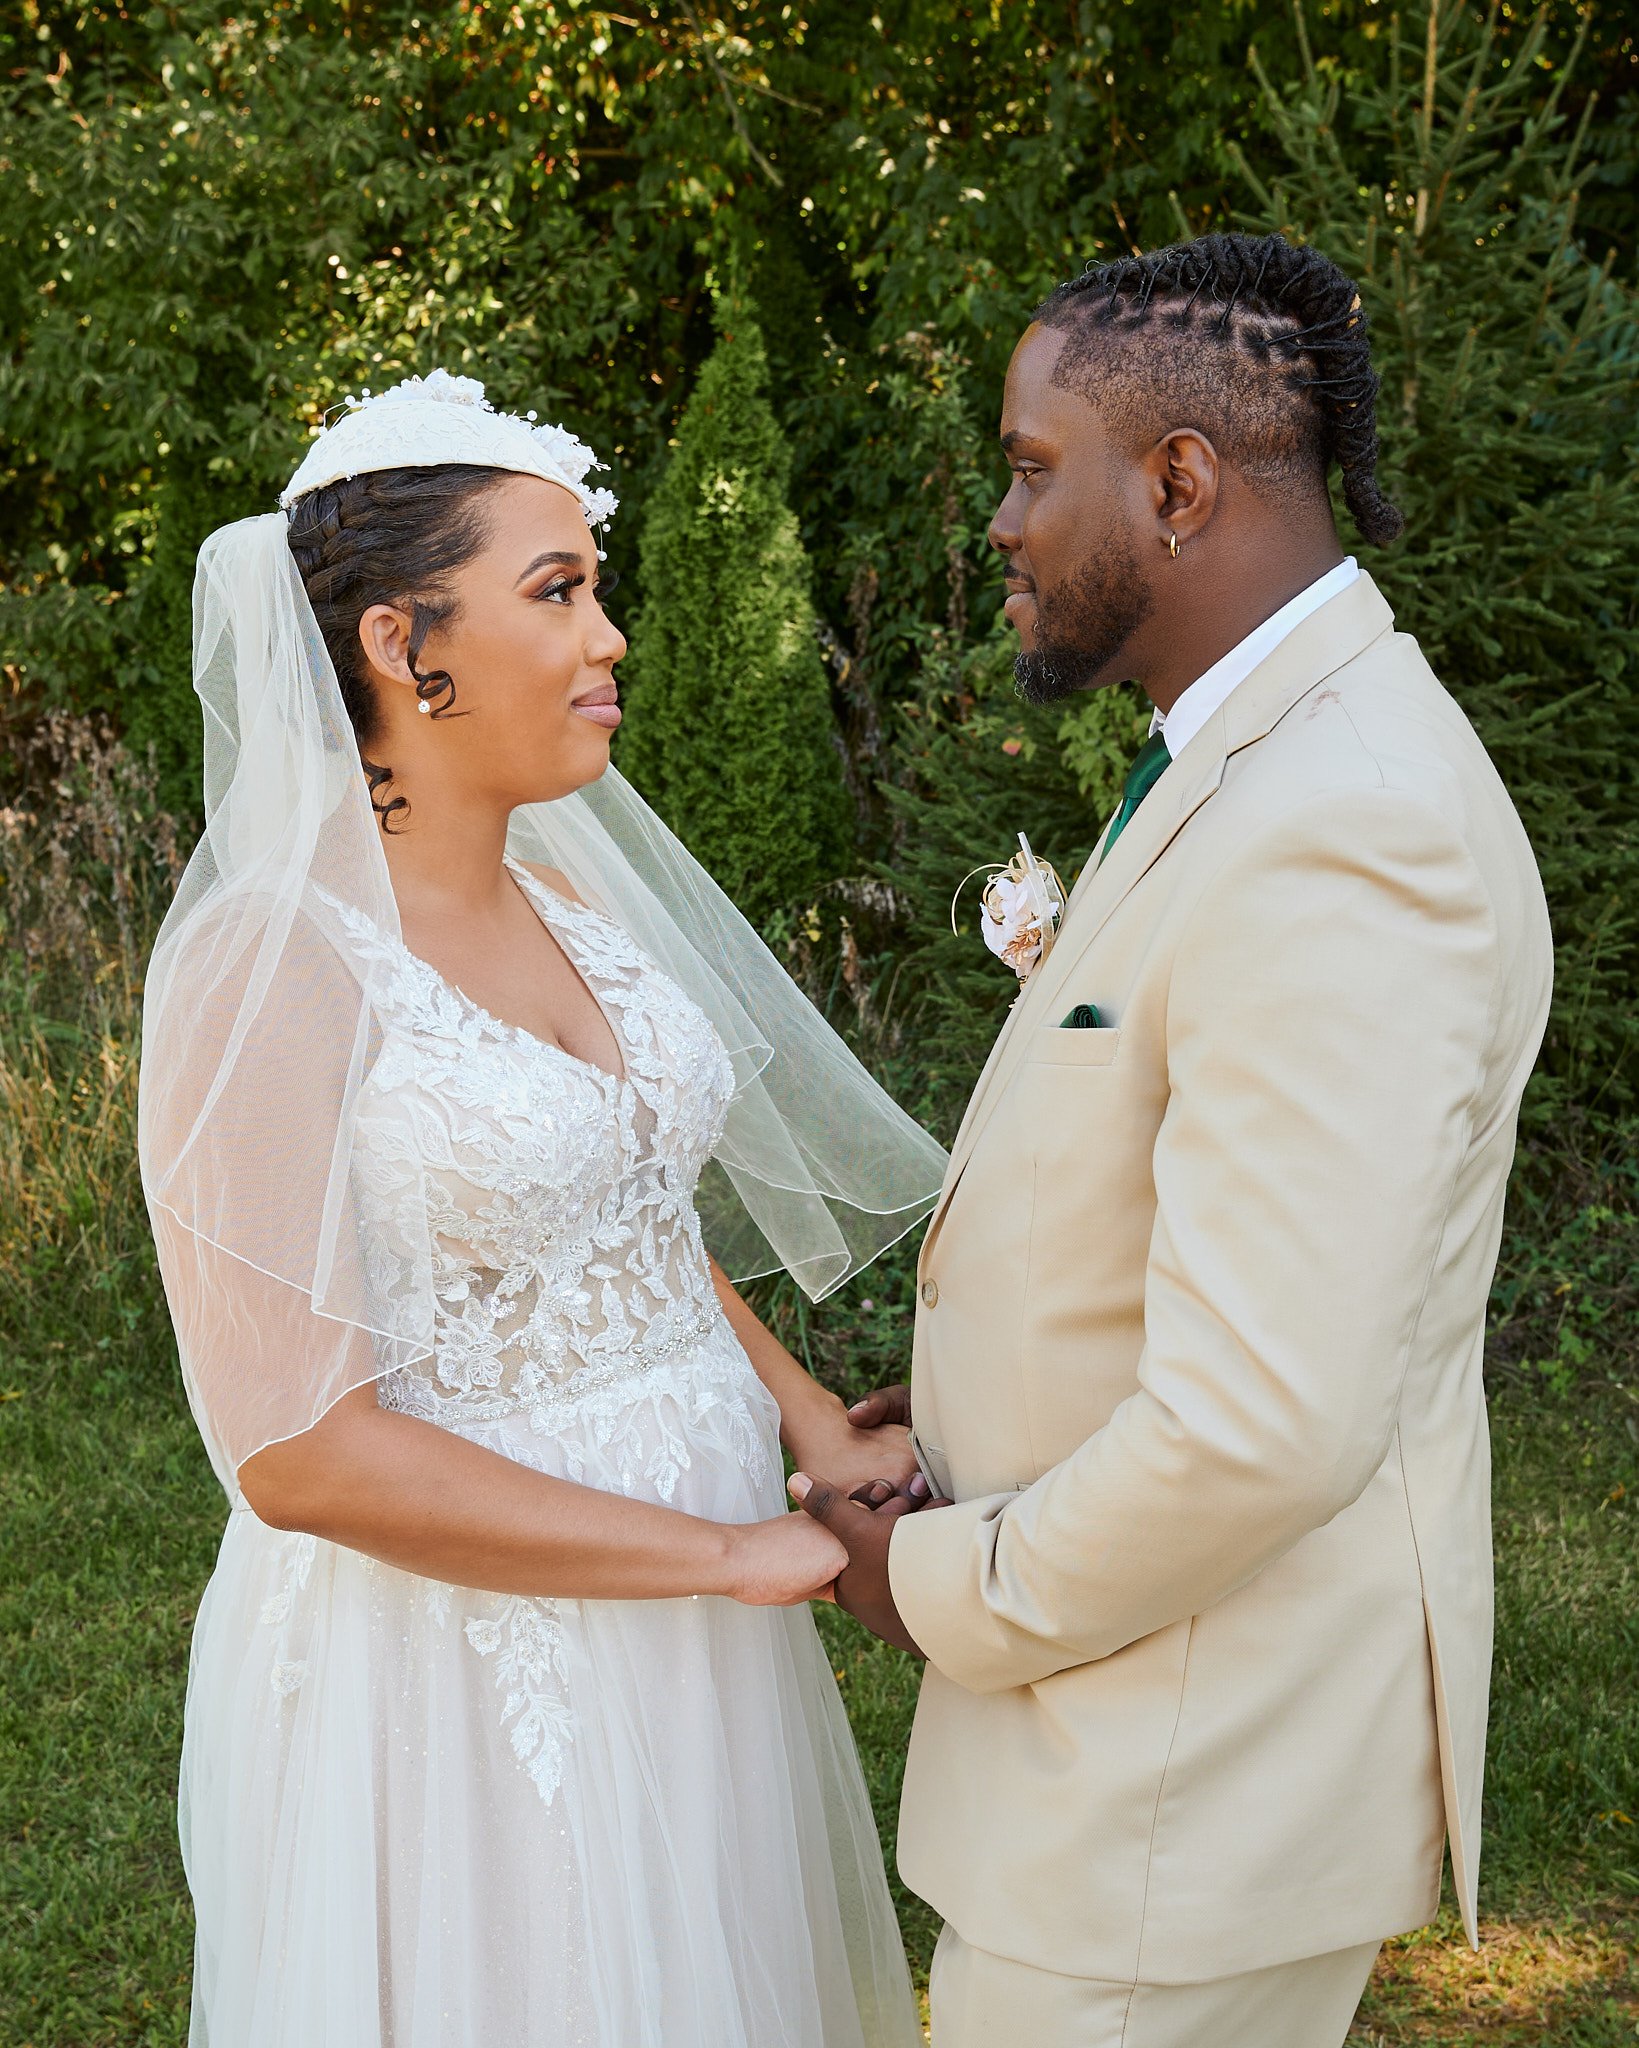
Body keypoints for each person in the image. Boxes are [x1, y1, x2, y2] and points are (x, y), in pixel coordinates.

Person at [794, 232, 1554, 2047]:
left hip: (1177, 1809)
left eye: (1032, 467)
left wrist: (938, 1584)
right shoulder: (1270, 757)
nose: (1001, 521)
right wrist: (977, 1410)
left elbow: (1265, 1421)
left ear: (1183, 482)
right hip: (1145, 1782)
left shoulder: (1345, 828)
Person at [138, 370, 943, 2047]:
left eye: (597, 587)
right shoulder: (271, 966)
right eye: (558, 591)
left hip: (703, 1601)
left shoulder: (571, 897)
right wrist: (725, 1554)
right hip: (462, 1650)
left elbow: (627, 1209)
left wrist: (807, 1422)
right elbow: (297, 1454)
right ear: (395, 644)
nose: (612, 638)